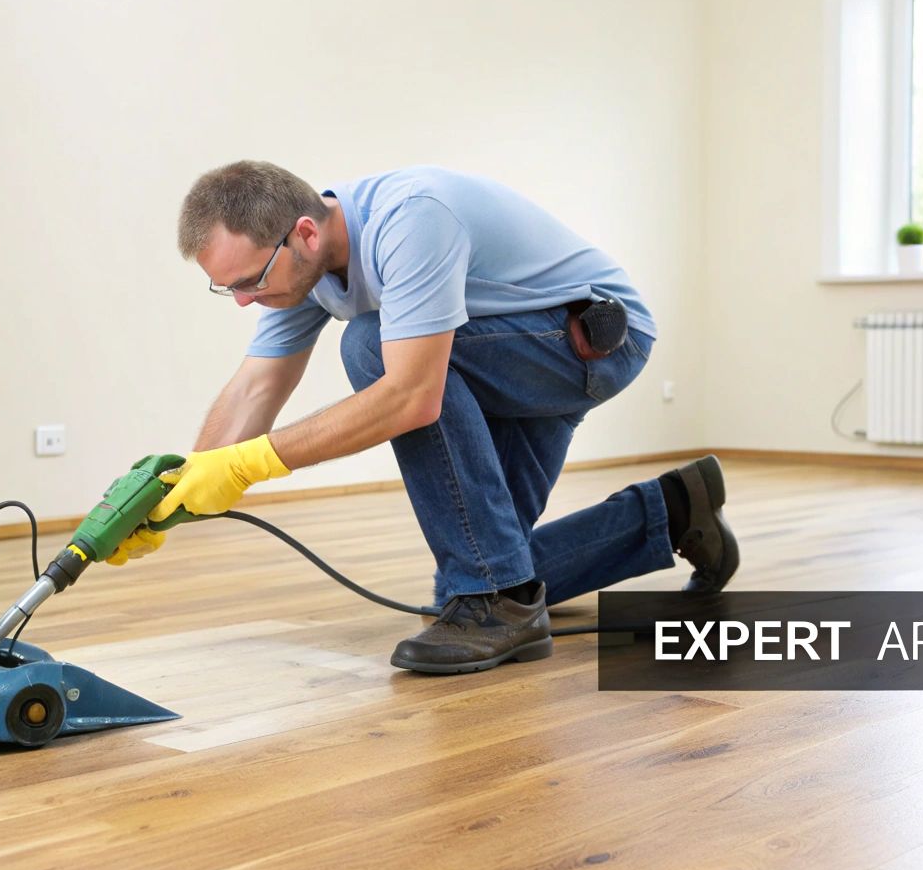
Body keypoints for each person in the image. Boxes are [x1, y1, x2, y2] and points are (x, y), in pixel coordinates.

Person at [116, 161, 737, 673]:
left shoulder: (411, 220)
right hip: (507, 352)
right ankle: (673, 511)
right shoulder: (301, 269)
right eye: (230, 289)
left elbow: (412, 395)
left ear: (303, 233)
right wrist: (177, 494)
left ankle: (498, 600)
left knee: (370, 343)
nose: (245, 300)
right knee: (483, 570)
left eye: (249, 281)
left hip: (588, 341)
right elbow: (258, 383)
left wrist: (249, 464)